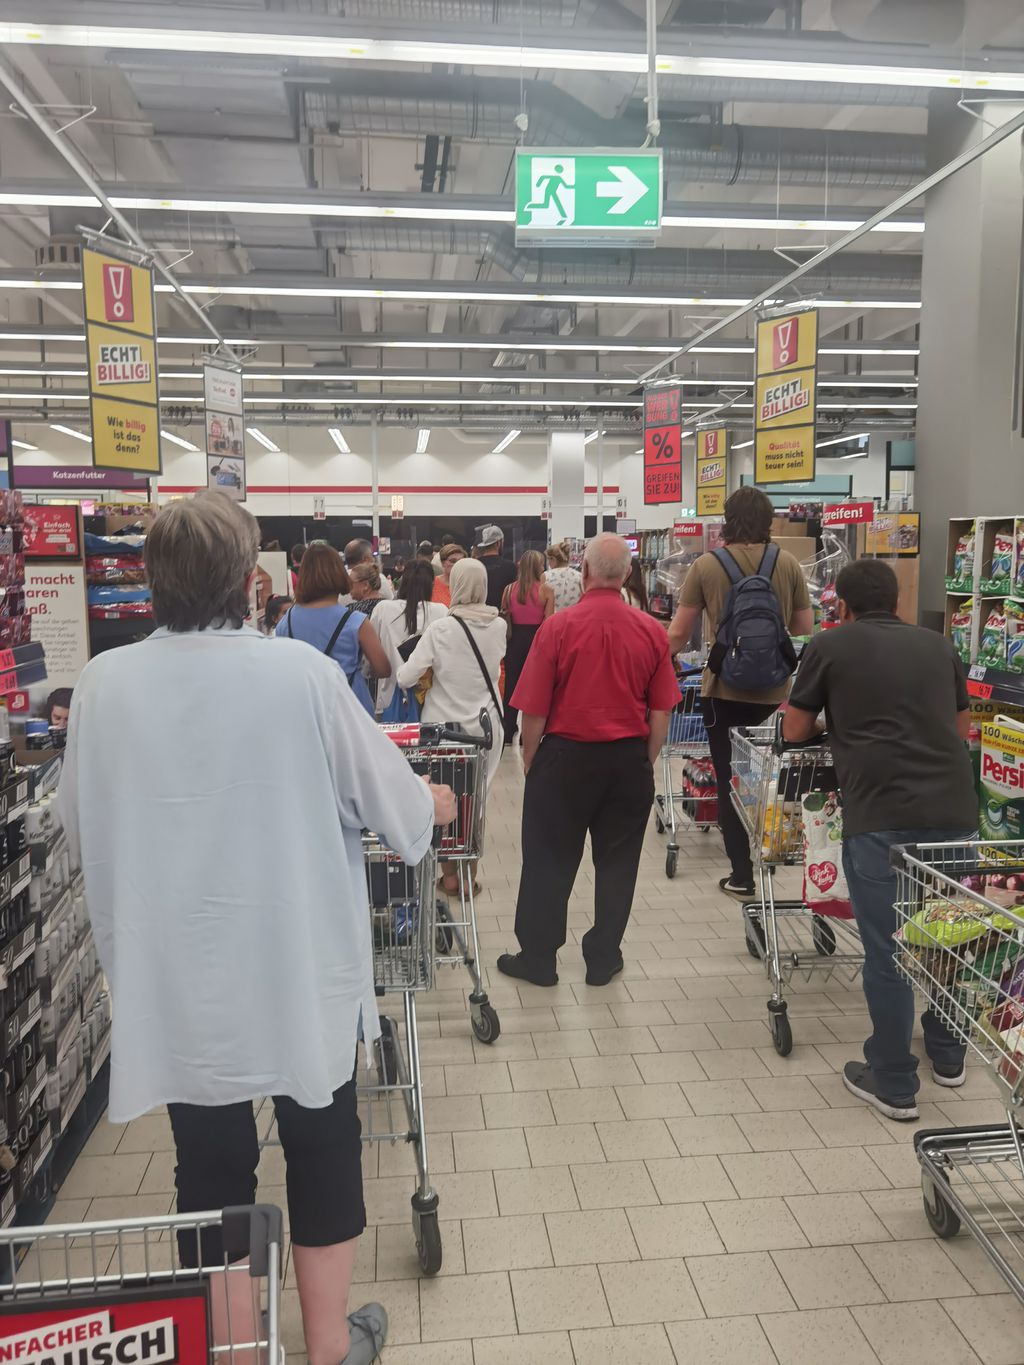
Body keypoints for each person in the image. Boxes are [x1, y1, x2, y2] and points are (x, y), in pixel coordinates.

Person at [57, 490, 457, 1365]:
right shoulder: (298, 675)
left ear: (151, 584)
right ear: (250, 583)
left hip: (180, 977)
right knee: (321, 1145)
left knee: (208, 1167)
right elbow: (396, 809)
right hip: (296, 966)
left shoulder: (103, 685)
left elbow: (78, 831)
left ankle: (235, 1352)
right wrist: (435, 797)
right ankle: (325, 1347)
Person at [783, 558, 976, 1121]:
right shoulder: (939, 647)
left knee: (887, 948)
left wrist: (837, 726)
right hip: (954, 814)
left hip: (879, 817)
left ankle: (892, 1079)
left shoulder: (830, 646)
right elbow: (960, 729)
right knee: (947, 938)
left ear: (840, 605)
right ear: (898, 603)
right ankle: (948, 1055)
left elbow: (795, 729)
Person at [497, 534, 681, 987]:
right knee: (618, 864)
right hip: (626, 760)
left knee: (548, 859)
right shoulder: (650, 631)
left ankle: (539, 959)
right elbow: (661, 711)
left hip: (563, 760)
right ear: (626, 576)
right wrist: (644, 760)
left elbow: (534, 711)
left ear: (584, 573)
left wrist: (531, 760)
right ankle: (603, 957)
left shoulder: (557, 629)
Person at [667, 486, 813, 898]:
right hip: (776, 694)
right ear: (768, 520)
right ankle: (777, 855)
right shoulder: (787, 564)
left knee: (730, 778)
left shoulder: (707, 565)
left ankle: (742, 876)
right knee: (773, 781)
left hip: (723, 690)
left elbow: (678, 634)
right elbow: (803, 628)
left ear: (727, 520)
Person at [397, 558, 506, 895]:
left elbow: (405, 677)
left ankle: (449, 878)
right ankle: (468, 877)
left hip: (445, 730)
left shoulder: (442, 628)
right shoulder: (499, 625)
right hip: (487, 729)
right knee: (475, 804)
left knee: (445, 803)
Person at [277, 542, 390, 717]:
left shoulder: (286, 622)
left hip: (305, 709)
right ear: (338, 574)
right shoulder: (356, 621)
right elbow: (383, 668)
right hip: (352, 709)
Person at [372, 561, 447, 717]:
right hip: (431, 702)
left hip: (388, 698)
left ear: (403, 581)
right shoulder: (441, 611)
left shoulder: (383, 609)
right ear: (432, 584)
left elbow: (370, 657)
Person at [501, 550, 554, 746]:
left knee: (511, 687)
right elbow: (548, 623)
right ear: (539, 567)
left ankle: (508, 730)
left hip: (513, 641)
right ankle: (527, 734)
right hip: (536, 642)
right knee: (534, 688)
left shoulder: (508, 590)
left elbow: (505, 617)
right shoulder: (546, 591)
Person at [476, 524, 517, 610]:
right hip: (501, 614)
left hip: (480, 613)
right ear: (498, 543)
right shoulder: (510, 566)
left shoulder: (476, 564)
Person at [544, 541, 583, 612]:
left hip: (553, 619)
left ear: (553, 559)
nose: (548, 562)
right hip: (574, 617)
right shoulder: (579, 576)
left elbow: (542, 602)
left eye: (548, 559)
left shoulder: (546, 576)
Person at [432, 542, 466, 608]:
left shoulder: (467, 584)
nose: (457, 564)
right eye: (453, 561)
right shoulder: (432, 584)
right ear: (443, 563)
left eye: (461, 561)